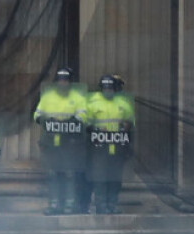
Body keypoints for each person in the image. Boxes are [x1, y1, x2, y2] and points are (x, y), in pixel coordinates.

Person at [34, 68, 87, 215]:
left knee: (69, 174)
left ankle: (70, 205)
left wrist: (72, 120)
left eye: (66, 80)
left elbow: (83, 117)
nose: (63, 83)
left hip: (70, 142)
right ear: (56, 82)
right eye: (60, 80)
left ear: (70, 82)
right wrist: (47, 120)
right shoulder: (47, 97)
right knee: (52, 174)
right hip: (50, 143)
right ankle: (54, 205)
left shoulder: (78, 98)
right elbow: (37, 115)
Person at [85, 75, 134, 214]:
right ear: (101, 89)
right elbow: (86, 123)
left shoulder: (123, 104)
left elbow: (130, 122)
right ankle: (101, 206)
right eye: (105, 88)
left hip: (118, 146)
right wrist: (95, 129)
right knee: (100, 177)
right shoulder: (93, 104)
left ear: (115, 89)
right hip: (99, 147)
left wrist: (126, 126)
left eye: (110, 88)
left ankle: (112, 205)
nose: (108, 91)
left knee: (115, 177)